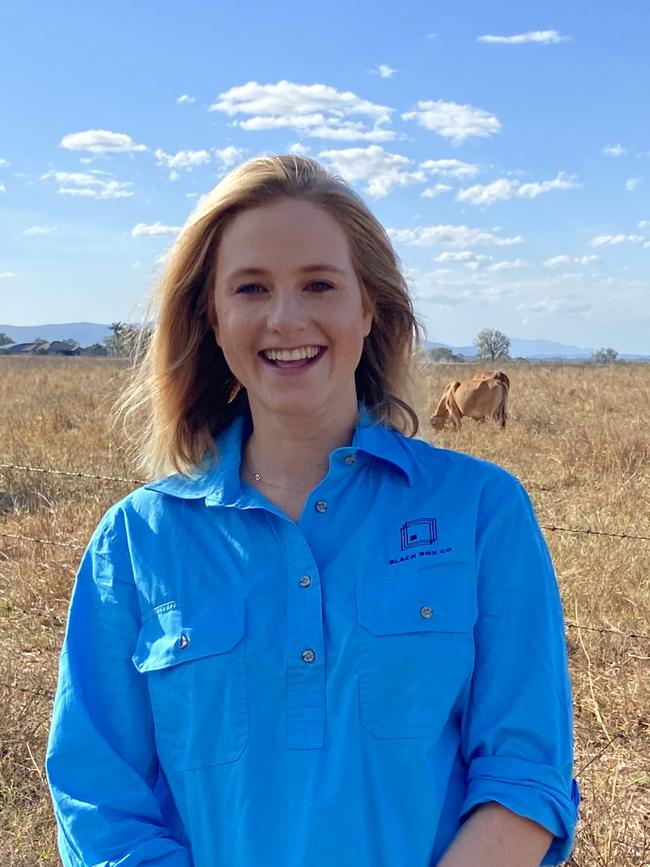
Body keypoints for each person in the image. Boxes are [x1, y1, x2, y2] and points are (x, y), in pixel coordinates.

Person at [45, 154, 580, 866]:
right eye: (252, 287)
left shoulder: (483, 511)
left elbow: (525, 774)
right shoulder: (136, 542)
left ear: (370, 306)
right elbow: (97, 799)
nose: (286, 317)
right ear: (212, 315)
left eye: (319, 284)